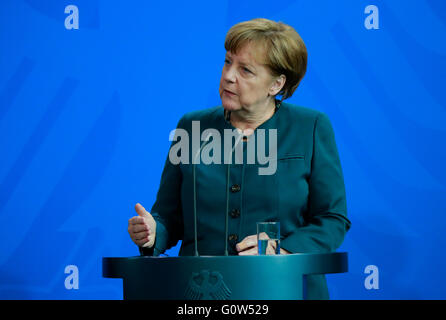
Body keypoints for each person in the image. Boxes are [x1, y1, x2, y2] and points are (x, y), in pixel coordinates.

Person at [127, 18, 351, 299]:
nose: (229, 76)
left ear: (276, 84)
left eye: (245, 70)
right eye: (227, 62)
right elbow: (169, 216)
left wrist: (283, 250)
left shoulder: (311, 127)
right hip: (202, 294)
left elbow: (331, 218)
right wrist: (152, 232)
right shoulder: (191, 127)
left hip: (285, 288)